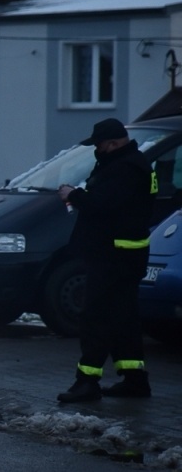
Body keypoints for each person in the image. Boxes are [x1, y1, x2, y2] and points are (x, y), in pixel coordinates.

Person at [55, 117, 156, 403]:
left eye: (98, 145)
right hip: (125, 254)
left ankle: (87, 383)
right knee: (123, 318)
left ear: (112, 143)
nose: (96, 150)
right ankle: (135, 380)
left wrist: (73, 194)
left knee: (95, 317)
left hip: (113, 256)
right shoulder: (132, 164)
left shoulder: (124, 168)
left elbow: (103, 204)